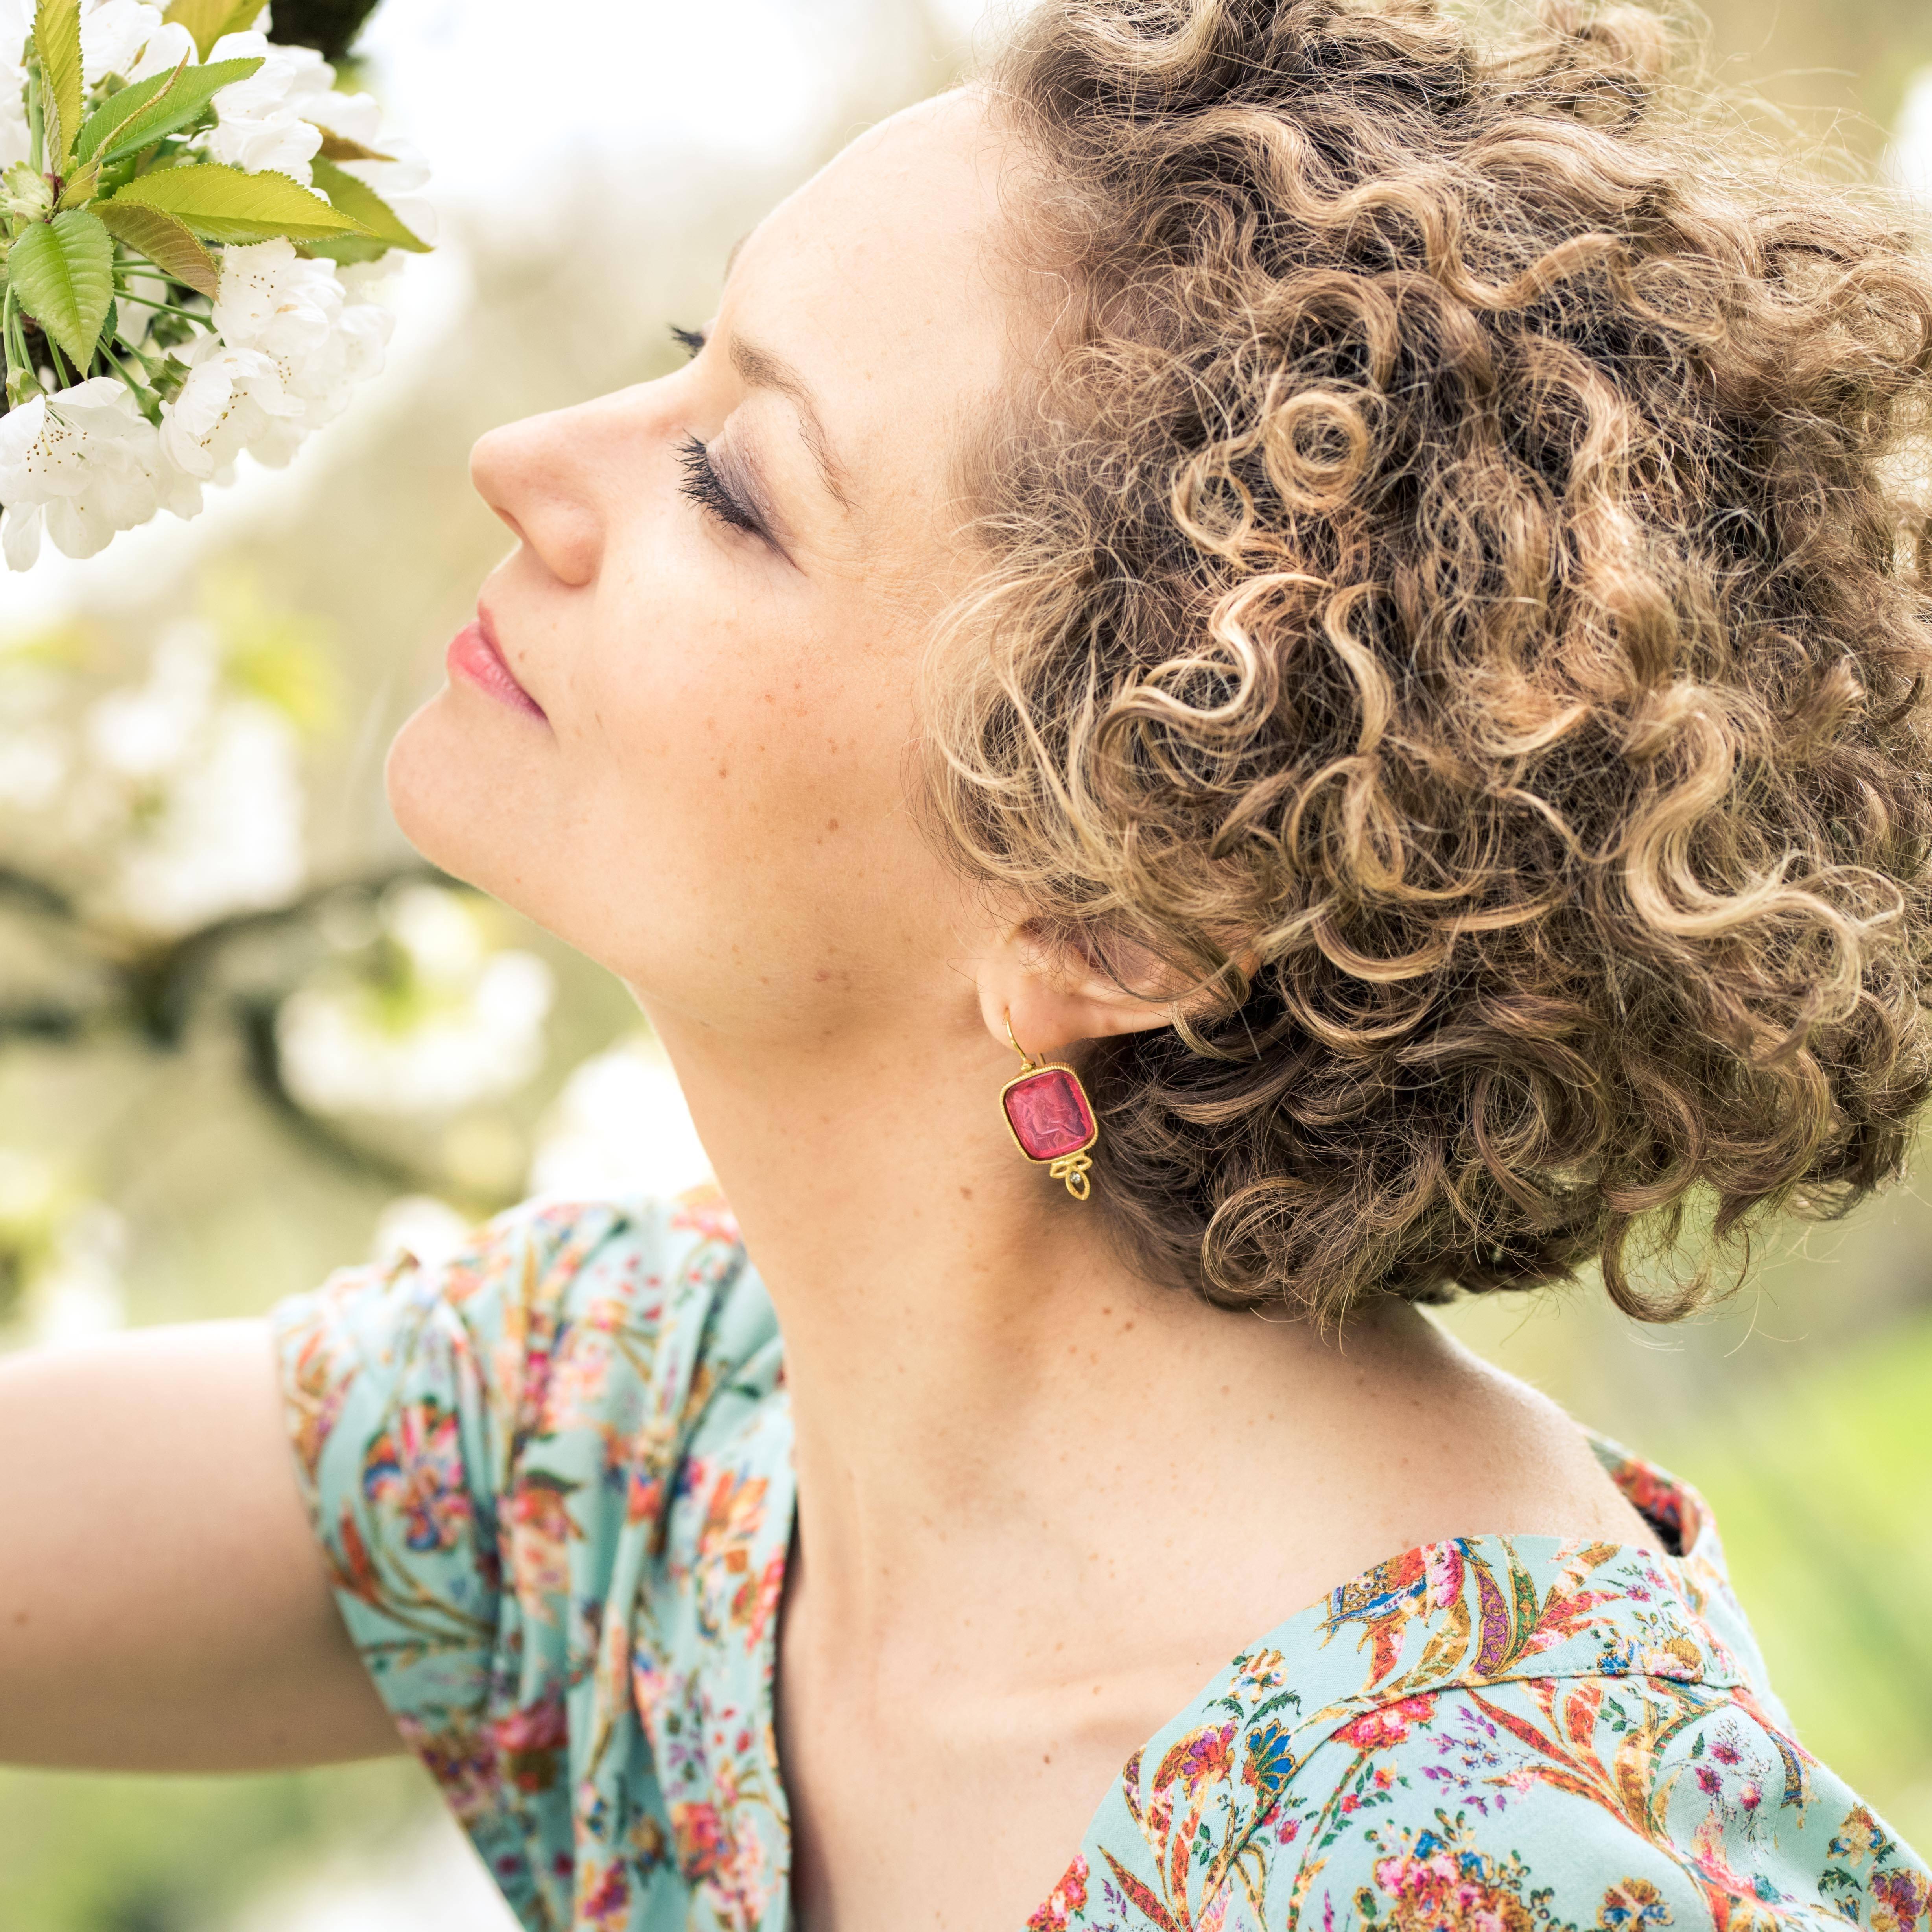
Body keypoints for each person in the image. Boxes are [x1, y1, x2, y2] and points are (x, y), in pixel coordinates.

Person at [5, 0, 1932, 1926]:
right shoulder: (640, 1427)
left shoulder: (1477, 1863)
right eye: (686, 363)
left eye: (736, 488)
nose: (526, 458)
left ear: (1108, 919)